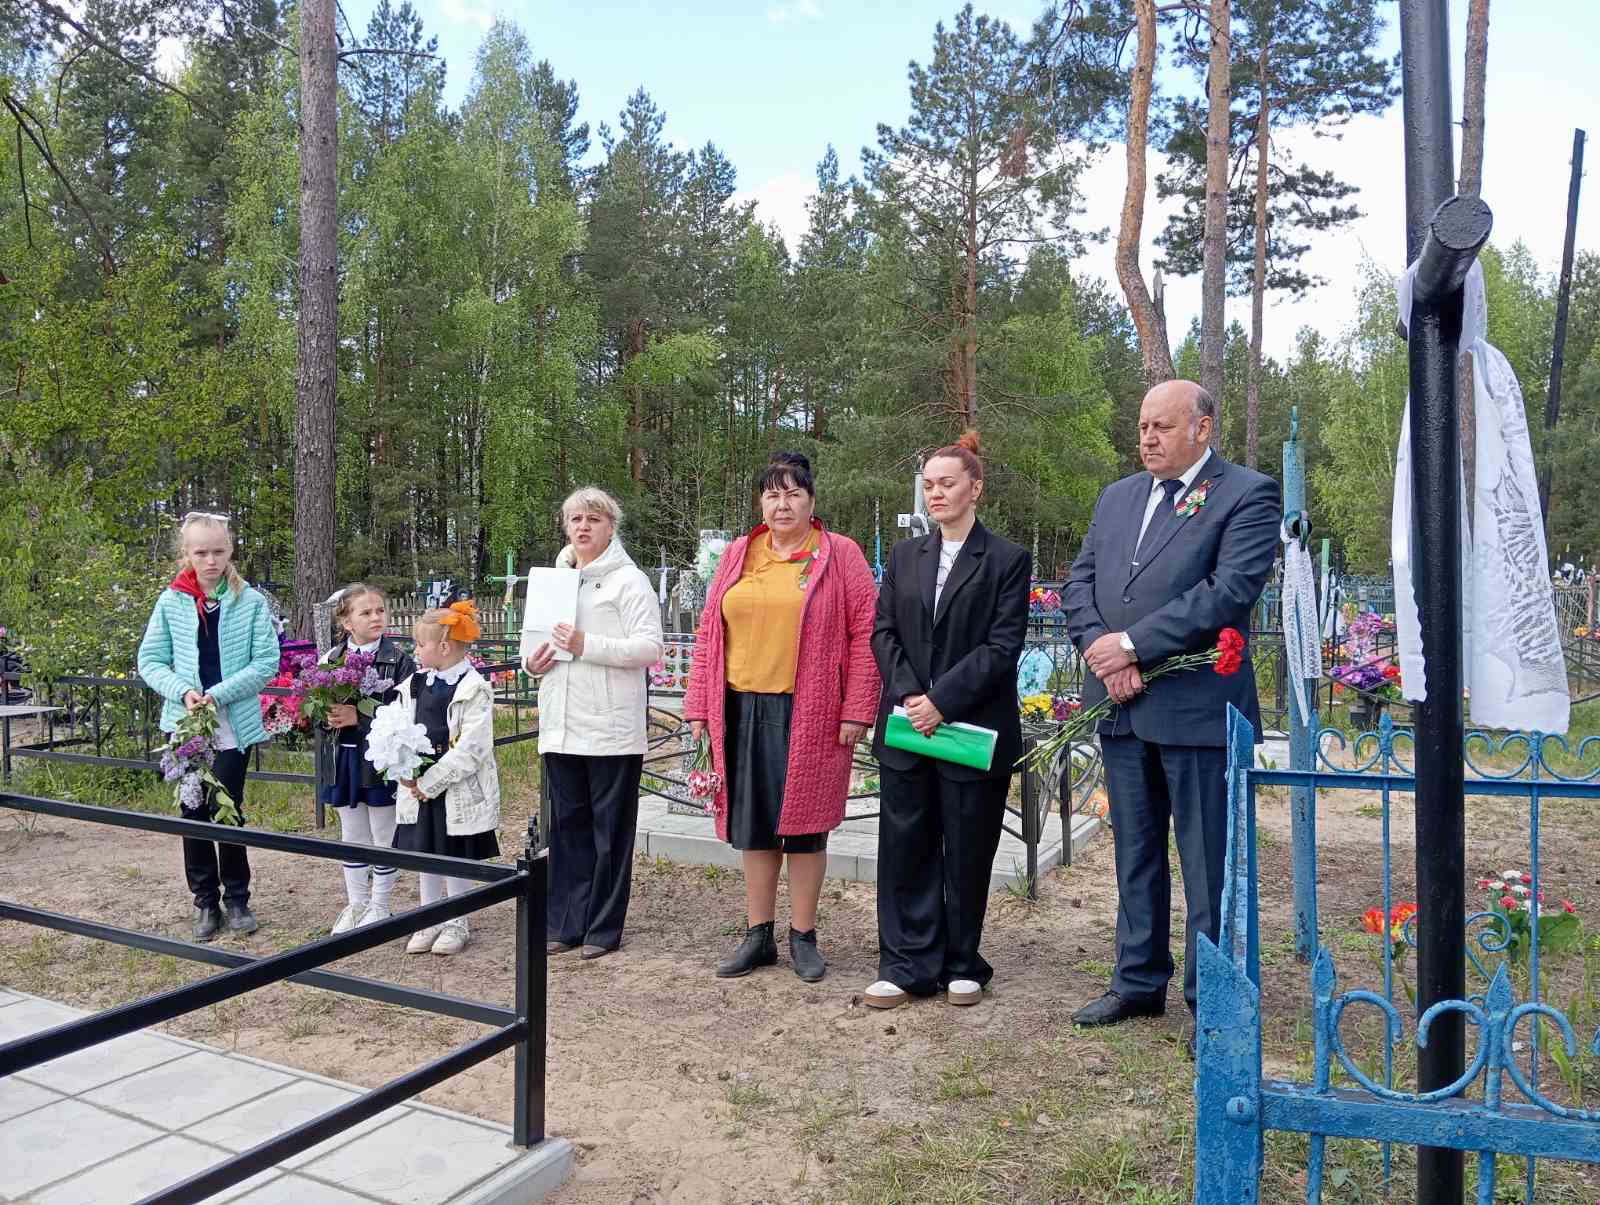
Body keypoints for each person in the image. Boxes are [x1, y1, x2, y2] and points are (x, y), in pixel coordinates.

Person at [1063, 380, 1278, 1049]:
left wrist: (1132, 645)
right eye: (1142, 426)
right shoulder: (1118, 496)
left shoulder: (1246, 494)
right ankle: (1137, 979)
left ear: (1202, 428)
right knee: (1135, 851)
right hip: (1123, 705)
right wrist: (1106, 654)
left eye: (1161, 426)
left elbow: (1227, 591)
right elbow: (1079, 582)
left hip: (1197, 709)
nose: (1148, 438)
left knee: (1208, 865)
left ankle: (1213, 1002)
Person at [684, 451, 880, 983]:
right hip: (740, 707)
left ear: (811, 501)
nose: (782, 505)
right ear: (761, 503)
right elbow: (709, 631)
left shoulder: (839, 554)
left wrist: (857, 707)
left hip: (811, 708)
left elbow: (866, 633)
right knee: (754, 825)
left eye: (793, 494)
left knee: (807, 827)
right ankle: (758, 934)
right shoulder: (739, 553)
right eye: (772, 495)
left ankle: (803, 935)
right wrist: (699, 704)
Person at [863, 431, 1030, 1009]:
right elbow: (883, 631)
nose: (935, 493)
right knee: (904, 846)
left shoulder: (1006, 559)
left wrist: (943, 701)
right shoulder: (905, 557)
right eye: (929, 485)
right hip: (909, 726)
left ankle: (962, 962)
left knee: (966, 848)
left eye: (947, 483)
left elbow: (1002, 646)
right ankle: (905, 964)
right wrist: (913, 694)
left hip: (970, 729)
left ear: (975, 488)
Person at [525, 487, 663, 961]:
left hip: (610, 729)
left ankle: (602, 928)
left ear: (611, 527)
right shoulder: (552, 581)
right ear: (566, 526)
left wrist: (588, 644)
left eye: (594, 519)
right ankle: (566, 922)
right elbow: (535, 644)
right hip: (561, 724)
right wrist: (531, 665)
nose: (583, 527)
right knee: (567, 828)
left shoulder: (630, 581)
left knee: (609, 834)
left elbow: (650, 647)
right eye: (576, 519)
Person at [138, 512, 279, 941]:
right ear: (187, 553)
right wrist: (183, 691)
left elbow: (266, 662)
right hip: (186, 725)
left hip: (231, 723)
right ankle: (204, 900)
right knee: (193, 808)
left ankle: (237, 898)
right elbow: (150, 660)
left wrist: (219, 694)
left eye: (218, 551)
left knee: (228, 807)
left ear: (230, 550)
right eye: (201, 552)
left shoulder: (250, 601)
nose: (211, 560)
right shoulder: (171, 601)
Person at [390, 601, 502, 956]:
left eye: (420, 644)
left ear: (443, 646)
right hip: (418, 784)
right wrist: (403, 768)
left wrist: (433, 781)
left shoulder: (474, 688)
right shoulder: (414, 684)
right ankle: (429, 917)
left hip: (454, 785)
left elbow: (473, 747)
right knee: (426, 852)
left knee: (453, 854)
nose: (415, 650)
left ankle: (456, 920)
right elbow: (397, 726)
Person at [315, 583, 414, 934]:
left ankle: (380, 905)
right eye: (366, 612)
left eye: (380, 611)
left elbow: (405, 714)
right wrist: (325, 715)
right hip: (342, 758)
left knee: (383, 832)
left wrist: (360, 717)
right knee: (353, 831)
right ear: (347, 622)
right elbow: (316, 709)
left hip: (380, 761)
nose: (376, 617)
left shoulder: (399, 661)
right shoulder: (330, 660)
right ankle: (356, 903)